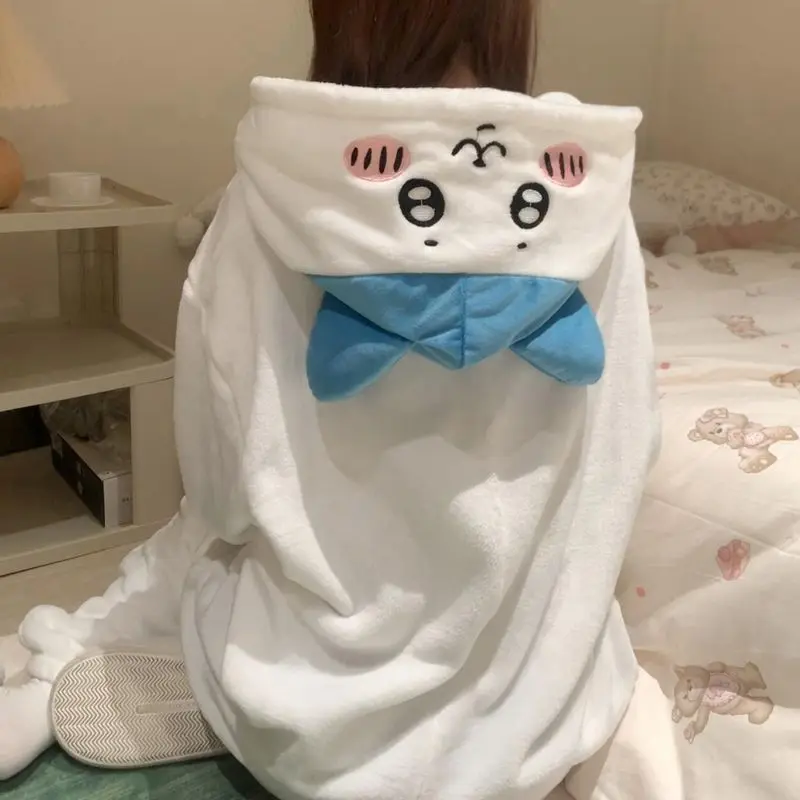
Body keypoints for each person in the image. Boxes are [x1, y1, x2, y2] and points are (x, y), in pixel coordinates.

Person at [0, 1, 659, 798]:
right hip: (536, 713)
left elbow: (221, 495)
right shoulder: (589, 199)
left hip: (312, 707)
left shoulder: (273, 191)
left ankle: (123, 664)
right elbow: (624, 454)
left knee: (202, 547)